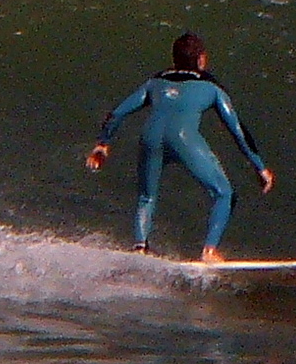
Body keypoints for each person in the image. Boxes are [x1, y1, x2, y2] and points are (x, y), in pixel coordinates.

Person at [85, 33, 273, 262]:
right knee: (223, 193)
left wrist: (102, 144)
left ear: (174, 59)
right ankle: (209, 251)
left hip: (150, 138)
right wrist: (259, 166)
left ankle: (140, 249)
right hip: (184, 140)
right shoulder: (211, 86)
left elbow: (117, 113)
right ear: (202, 60)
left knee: (147, 197)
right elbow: (238, 131)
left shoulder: (154, 82)